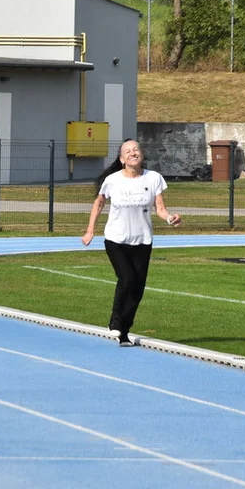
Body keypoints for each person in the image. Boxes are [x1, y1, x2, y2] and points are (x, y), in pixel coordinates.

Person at [82, 140, 181, 347]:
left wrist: (170, 218)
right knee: (127, 279)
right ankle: (115, 320)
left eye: (135, 149)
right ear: (122, 159)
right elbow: (99, 203)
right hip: (116, 239)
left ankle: (124, 331)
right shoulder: (112, 180)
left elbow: (160, 208)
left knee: (138, 288)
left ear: (141, 154)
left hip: (143, 241)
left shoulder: (153, 178)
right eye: (128, 151)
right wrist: (90, 230)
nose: (132, 153)